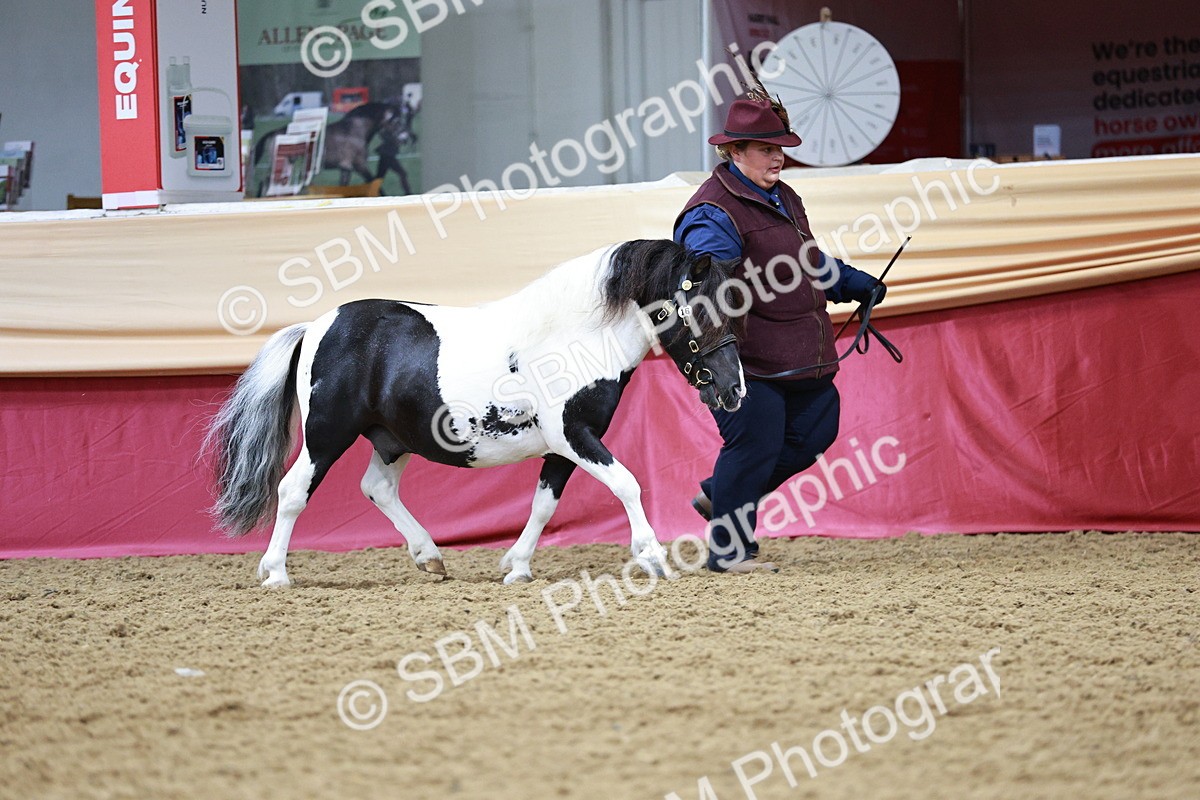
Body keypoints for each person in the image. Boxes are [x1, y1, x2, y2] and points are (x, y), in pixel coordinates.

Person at [673, 95, 887, 574]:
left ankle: (721, 493)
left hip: (796, 352)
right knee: (755, 443)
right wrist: (717, 359)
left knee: (817, 428)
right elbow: (707, 287)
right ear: (735, 152)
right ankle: (728, 554)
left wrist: (853, 283)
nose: (778, 156)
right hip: (740, 357)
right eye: (766, 148)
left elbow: (803, 262)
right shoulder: (711, 213)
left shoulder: (783, 196)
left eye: (781, 147)